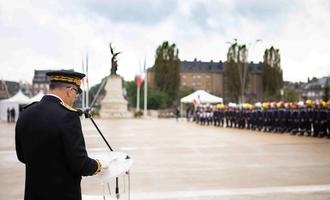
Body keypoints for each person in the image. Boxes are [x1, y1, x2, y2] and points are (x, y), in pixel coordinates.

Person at [15, 70, 104, 200]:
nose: (75, 99)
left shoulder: (26, 113)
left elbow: (22, 156)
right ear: (70, 91)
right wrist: (100, 165)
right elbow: (80, 164)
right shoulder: (68, 116)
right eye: (76, 94)